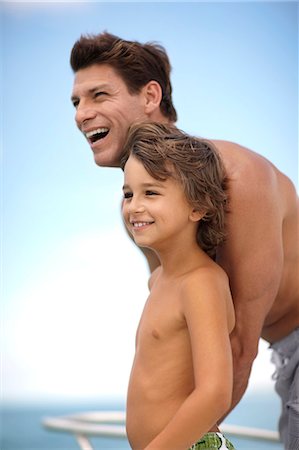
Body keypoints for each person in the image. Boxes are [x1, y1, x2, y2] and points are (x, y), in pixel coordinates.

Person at [70, 32, 299, 449]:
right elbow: (170, 318)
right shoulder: (144, 215)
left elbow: (237, 346)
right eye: (76, 103)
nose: (82, 114)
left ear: (150, 95)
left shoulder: (237, 181)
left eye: (98, 95)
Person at [121, 121, 236, 450]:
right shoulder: (158, 279)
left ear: (198, 206)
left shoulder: (201, 283)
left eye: (151, 192)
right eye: (129, 193)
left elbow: (214, 392)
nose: (134, 206)